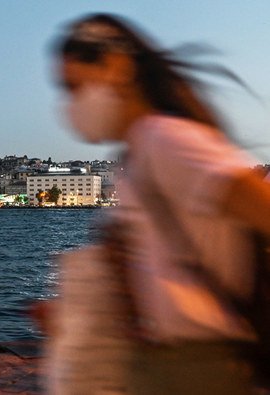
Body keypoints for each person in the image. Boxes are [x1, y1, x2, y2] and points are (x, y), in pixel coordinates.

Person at [49, 13, 270, 394]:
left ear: (116, 67)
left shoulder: (168, 141)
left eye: (74, 87)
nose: (69, 105)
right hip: (164, 362)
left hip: (200, 367)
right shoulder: (136, 157)